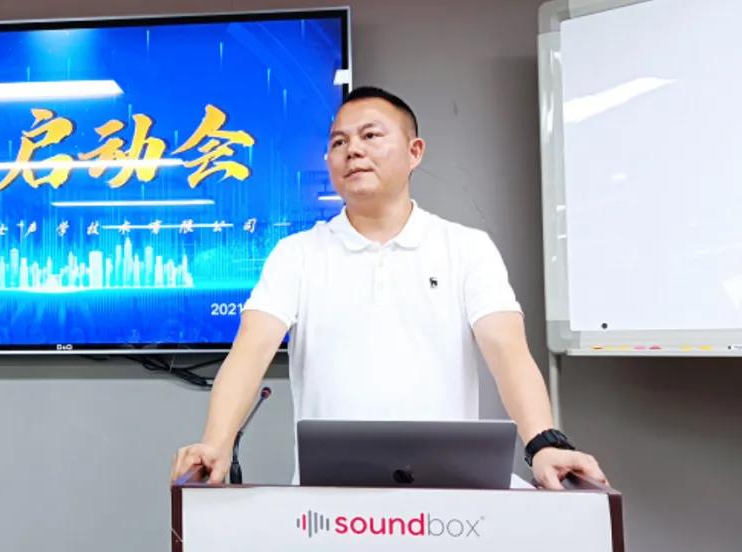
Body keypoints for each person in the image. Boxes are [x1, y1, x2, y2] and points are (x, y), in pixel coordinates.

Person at [170, 86, 609, 490]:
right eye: (338, 142)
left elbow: (507, 350)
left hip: (449, 495)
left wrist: (544, 442)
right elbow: (251, 350)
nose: (352, 150)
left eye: (370, 135)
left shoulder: (465, 247)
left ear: (414, 152)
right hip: (329, 498)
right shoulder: (296, 254)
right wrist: (217, 441)